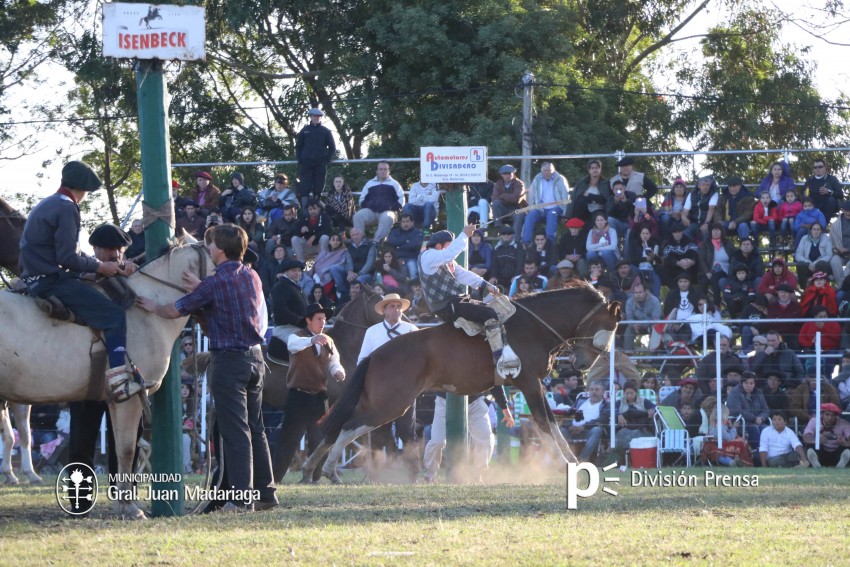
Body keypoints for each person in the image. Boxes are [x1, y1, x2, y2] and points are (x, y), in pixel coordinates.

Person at [136, 224, 276, 512]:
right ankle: (266, 493)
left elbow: (175, 310)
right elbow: (228, 305)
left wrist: (152, 305)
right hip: (255, 360)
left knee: (235, 432)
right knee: (255, 428)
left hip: (228, 361)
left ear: (221, 250)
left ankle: (241, 500)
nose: (209, 249)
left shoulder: (213, 283)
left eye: (211, 245)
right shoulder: (252, 276)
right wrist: (201, 291)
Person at [19, 161, 141, 403]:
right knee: (115, 315)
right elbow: (67, 258)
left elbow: (67, 255)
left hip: (35, 278)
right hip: (51, 281)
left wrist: (98, 266)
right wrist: (99, 266)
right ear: (83, 189)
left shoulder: (47, 203)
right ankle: (118, 381)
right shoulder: (67, 209)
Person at [67, 222, 143, 481]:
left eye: (119, 250)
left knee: (127, 436)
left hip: (122, 370)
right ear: (96, 249)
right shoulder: (80, 272)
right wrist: (101, 273)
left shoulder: (128, 275)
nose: (115, 254)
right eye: (109, 249)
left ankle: (122, 491)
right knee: (81, 439)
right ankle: (81, 499)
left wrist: (129, 272)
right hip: (85, 372)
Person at [418, 225, 519, 380]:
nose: (451, 248)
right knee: (489, 313)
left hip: (456, 301)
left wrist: (487, 286)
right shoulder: (429, 256)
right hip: (446, 305)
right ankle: (499, 357)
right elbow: (450, 253)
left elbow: (462, 274)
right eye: (448, 244)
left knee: (491, 308)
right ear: (439, 245)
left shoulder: (444, 258)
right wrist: (464, 234)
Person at [274, 303, 344, 482]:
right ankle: (274, 479)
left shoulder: (328, 340)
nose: (323, 322)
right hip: (298, 396)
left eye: (324, 319)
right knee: (288, 441)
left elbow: (334, 360)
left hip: (319, 397)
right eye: (319, 319)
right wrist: (311, 340)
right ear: (308, 320)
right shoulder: (296, 336)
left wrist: (338, 371)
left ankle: (314, 478)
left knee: (319, 441)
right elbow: (293, 346)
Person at [353, 161, 405, 243]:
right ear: (376, 171)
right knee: (357, 216)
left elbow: (401, 202)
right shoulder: (369, 183)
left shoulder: (395, 184)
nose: (383, 171)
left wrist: (389, 206)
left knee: (388, 217)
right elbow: (361, 201)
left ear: (389, 171)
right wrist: (371, 205)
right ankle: (361, 242)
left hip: (388, 211)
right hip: (371, 212)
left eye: (385, 169)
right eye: (380, 169)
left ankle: (376, 242)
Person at [295, 107, 336, 207]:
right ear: (310, 117)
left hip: (320, 164)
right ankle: (305, 212)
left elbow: (332, 147)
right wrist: (300, 159)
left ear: (320, 118)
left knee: (318, 188)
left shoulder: (325, 131)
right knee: (304, 187)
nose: (316, 118)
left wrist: (326, 160)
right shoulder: (304, 130)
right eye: (314, 116)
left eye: (318, 116)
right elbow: (298, 146)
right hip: (306, 164)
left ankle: (317, 210)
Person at [562, 380, 609, 463]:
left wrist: (583, 427)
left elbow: (602, 420)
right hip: (572, 430)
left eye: (597, 390)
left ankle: (581, 460)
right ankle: (566, 460)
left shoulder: (606, 405)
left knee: (597, 430)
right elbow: (568, 414)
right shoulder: (580, 401)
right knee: (561, 431)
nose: (594, 392)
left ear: (602, 392)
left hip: (588, 431)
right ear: (588, 391)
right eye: (592, 389)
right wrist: (570, 426)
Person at [522, 162, 569, 245]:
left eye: (549, 170)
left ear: (553, 170)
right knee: (530, 216)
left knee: (552, 214)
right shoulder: (536, 180)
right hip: (540, 208)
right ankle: (526, 243)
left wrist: (565, 214)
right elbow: (532, 196)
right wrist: (531, 208)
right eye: (545, 170)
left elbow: (565, 196)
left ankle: (550, 243)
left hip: (556, 207)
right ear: (541, 171)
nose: (547, 172)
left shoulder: (560, 179)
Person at [612, 381, 656, 465]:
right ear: (624, 393)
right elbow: (612, 411)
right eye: (626, 393)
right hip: (624, 428)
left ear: (636, 392)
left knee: (635, 435)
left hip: (641, 429)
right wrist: (618, 415)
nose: (629, 395)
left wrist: (652, 410)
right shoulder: (620, 402)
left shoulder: (644, 401)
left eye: (631, 393)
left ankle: (634, 460)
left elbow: (655, 407)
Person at [270, 259, 309, 348]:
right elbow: (280, 310)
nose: (297, 273)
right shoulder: (281, 286)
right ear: (285, 272)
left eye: (299, 270)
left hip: (299, 327)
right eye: (294, 270)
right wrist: (300, 321)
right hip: (286, 328)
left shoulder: (296, 287)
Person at [331, 227, 376, 302]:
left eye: (357, 234)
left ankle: (358, 299)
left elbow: (369, 263)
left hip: (366, 274)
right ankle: (344, 292)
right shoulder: (350, 246)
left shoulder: (370, 246)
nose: (355, 236)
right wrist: (350, 272)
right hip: (353, 273)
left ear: (362, 235)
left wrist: (358, 274)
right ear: (351, 236)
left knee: (359, 280)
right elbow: (349, 261)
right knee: (334, 268)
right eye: (353, 235)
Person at [726, 373, 770, 448]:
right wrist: (754, 418)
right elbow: (736, 411)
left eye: (751, 383)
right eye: (746, 383)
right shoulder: (734, 393)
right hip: (740, 423)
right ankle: (758, 451)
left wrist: (761, 418)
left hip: (758, 422)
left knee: (766, 429)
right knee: (754, 429)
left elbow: (765, 410)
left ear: (754, 384)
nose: (748, 385)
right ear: (742, 383)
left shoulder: (759, 393)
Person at [802, 402, 850, 468]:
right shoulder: (814, 421)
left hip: (837, 451)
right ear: (822, 414)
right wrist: (817, 440)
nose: (830, 418)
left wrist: (844, 442)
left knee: (846, 449)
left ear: (836, 416)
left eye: (832, 415)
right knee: (810, 446)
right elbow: (805, 437)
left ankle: (842, 461)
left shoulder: (843, 423)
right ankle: (815, 461)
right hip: (821, 451)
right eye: (827, 414)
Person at [698, 223, 736, 302]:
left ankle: (716, 306)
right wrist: (707, 272)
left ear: (721, 232)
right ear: (710, 232)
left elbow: (734, 257)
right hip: (709, 269)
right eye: (713, 230)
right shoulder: (706, 243)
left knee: (715, 279)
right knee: (703, 281)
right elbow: (701, 259)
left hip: (725, 270)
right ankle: (701, 306)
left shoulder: (728, 243)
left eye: (718, 230)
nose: (715, 232)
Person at [661, 272, 703, 343]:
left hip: (692, 323)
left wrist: (710, 310)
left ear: (689, 282)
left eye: (685, 281)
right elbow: (667, 310)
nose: (683, 284)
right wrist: (673, 323)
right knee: (671, 338)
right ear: (677, 283)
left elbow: (705, 303)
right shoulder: (672, 294)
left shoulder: (696, 293)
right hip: (675, 323)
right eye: (681, 281)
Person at [567, 159, 611, 225]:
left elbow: (605, 199)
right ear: (589, 170)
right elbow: (574, 198)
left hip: (598, 210)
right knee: (580, 201)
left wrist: (589, 196)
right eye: (592, 168)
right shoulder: (582, 183)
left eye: (596, 168)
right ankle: (576, 226)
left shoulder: (605, 183)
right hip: (584, 209)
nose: (594, 170)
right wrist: (567, 216)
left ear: (600, 169)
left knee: (594, 219)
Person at [491, 164, 527, 236]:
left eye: (509, 173)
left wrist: (502, 196)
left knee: (519, 216)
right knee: (496, 204)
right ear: (501, 175)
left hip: (517, 209)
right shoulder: (498, 184)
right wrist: (508, 198)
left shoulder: (519, 184)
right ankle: (498, 229)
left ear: (513, 174)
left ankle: (516, 240)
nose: (507, 176)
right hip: (503, 209)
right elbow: (494, 198)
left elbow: (517, 199)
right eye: (505, 174)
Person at [623, 284, 661, 353]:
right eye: (636, 293)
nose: (638, 295)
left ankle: (653, 355)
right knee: (628, 330)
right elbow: (629, 318)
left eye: (640, 292)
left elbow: (655, 319)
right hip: (636, 326)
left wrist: (641, 324)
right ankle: (627, 354)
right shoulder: (629, 302)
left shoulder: (655, 301)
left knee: (655, 330)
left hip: (651, 326)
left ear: (645, 291)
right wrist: (634, 325)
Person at [660, 222, 699, 287]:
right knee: (663, 269)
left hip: (688, 268)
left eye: (679, 232)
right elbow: (666, 258)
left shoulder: (689, 241)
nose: (677, 234)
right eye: (675, 232)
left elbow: (695, 253)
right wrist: (677, 263)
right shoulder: (667, 243)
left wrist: (692, 261)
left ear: (682, 232)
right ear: (672, 233)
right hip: (674, 269)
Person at [716, 175, 755, 240]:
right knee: (718, 227)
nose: (732, 189)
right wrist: (719, 221)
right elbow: (717, 209)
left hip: (741, 222)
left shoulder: (748, 197)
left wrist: (735, 222)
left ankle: (744, 246)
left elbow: (748, 213)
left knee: (743, 226)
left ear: (740, 186)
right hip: (726, 222)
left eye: (734, 186)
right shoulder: (724, 195)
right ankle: (720, 248)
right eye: (730, 187)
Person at [386, 213, 424, 280]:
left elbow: (415, 245)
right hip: (396, 258)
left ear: (412, 222)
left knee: (412, 269)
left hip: (412, 258)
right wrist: (407, 240)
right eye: (403, 222)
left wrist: (398, 247)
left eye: (407, 221)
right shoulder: (395, 232)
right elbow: (391, 242)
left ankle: (414, 287)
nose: (405, 224)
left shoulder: (417, 232)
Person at [794, 223, 833, 288]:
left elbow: (829, 255)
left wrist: (815, 263)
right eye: (814, 229)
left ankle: (821, 287)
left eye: (818, 229)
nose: (816, 231)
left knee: (822, 264)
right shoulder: (804, 238)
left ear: (821, 231)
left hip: (820, 265)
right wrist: (808, 263)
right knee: (800, 264)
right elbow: (798, 255)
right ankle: (806, 288)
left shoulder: (826, 238)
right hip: (808, 265)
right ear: (811, 230)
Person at [682, 176, 719, 242]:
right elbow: (685, 210)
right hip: (694, 222)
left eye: (708, 185)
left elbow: (711, 209)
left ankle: (705, 251)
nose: (705, 187)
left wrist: (706, 223)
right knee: (685, 234)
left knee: (705, 235)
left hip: (708, 222)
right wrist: (684, 217)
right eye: (703, 184)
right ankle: (694, 249)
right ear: (699, 186)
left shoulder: (714, 194)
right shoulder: (691, 194)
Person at [828, 201, 850, 288]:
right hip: (840, 253)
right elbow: (831, 241)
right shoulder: (835, 225)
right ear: (843, 210)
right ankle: (842, 286)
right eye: (846, 210)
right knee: (834, 261)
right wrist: (837, 249)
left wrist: (848, 250)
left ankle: (842, 285)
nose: (848, 213)